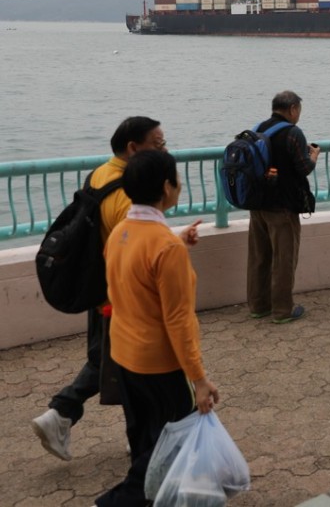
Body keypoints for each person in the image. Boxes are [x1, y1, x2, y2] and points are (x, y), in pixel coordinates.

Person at [31, 116, 169, 461]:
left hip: (99, 287)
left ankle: (71, 418)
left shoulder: (100, 174)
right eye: (158, 143)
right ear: (133, 148)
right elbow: (136, 246)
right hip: (122, 294)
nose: (164, 149)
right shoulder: (127, 194)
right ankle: (63, 413)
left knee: (107, 361)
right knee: (128, 364)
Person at [96, 149, 216, 507]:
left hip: (124, 353)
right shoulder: (164, 246)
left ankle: (153, 499)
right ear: (167, 187)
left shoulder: (120, 231)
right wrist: (199, 381)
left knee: (144, 439)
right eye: (176, 180)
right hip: (159, 364)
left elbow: (137, 273)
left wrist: (176, 242)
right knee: (173, 443)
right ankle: (116, 502)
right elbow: (178, 321)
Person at [246, 90, 320, 324]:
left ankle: (258, 306)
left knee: (259, 256)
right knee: (284, 260)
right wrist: (314, 156)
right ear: (292, 109)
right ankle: (282, 311)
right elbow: (303, 168)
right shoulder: (292, 133)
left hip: (257, 205)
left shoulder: (258, 128)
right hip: (282, 207)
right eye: (298, 110)